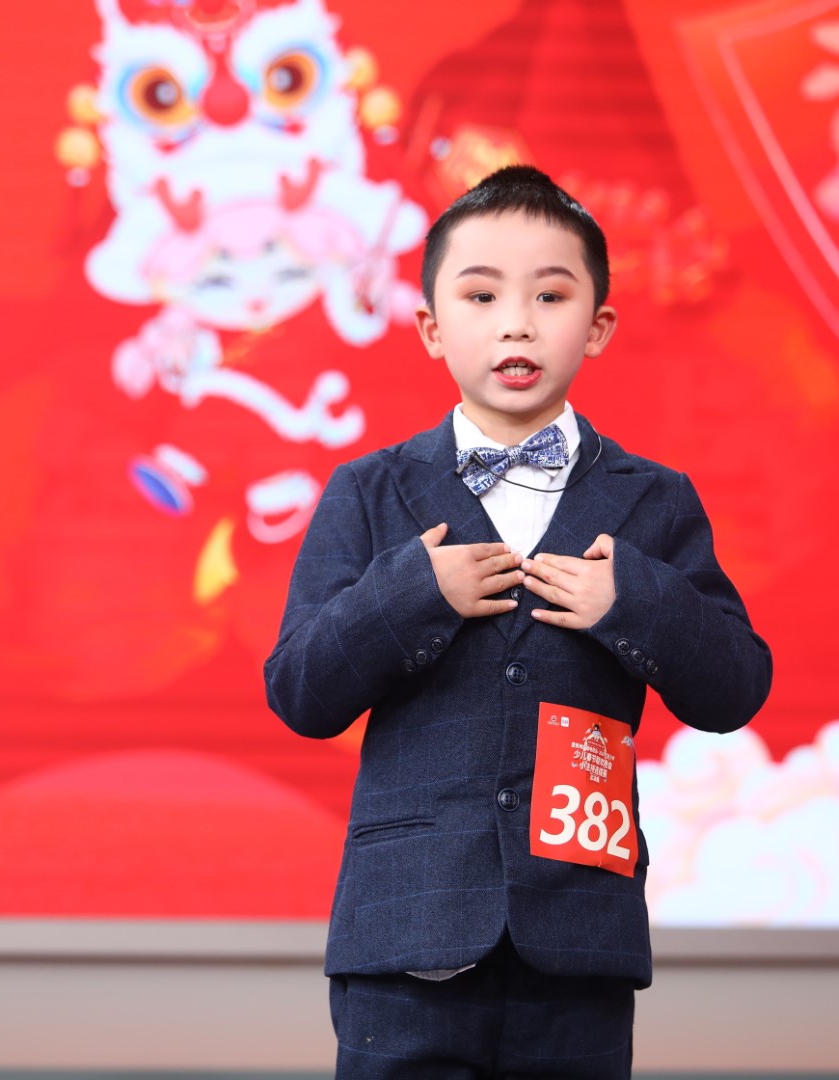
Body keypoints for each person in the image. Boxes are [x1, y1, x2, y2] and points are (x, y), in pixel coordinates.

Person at [263, 164, 772, 1078]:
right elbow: (299, 690)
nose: (516, 323)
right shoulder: (369, 491)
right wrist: (413, 593)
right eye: (481, 295)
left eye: (550, 295)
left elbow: (736, 686)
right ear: (430, 327)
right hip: (408, 928)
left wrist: (632, 603)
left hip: (577, 931)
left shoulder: (655, 499)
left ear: (598, 326)